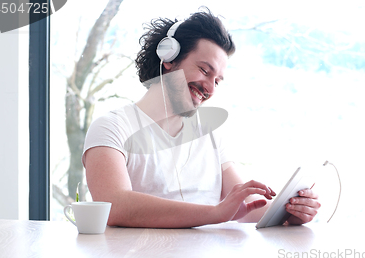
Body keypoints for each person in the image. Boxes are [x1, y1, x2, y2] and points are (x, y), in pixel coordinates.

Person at [82, 8, 320, 228]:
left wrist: (289, 213)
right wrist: (214, 213)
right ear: (169, 58)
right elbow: (114, 206)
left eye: (217, 81)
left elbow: (244, 209)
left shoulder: (210, 135)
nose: (210, 88)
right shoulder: (111, 128)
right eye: (205, 71)